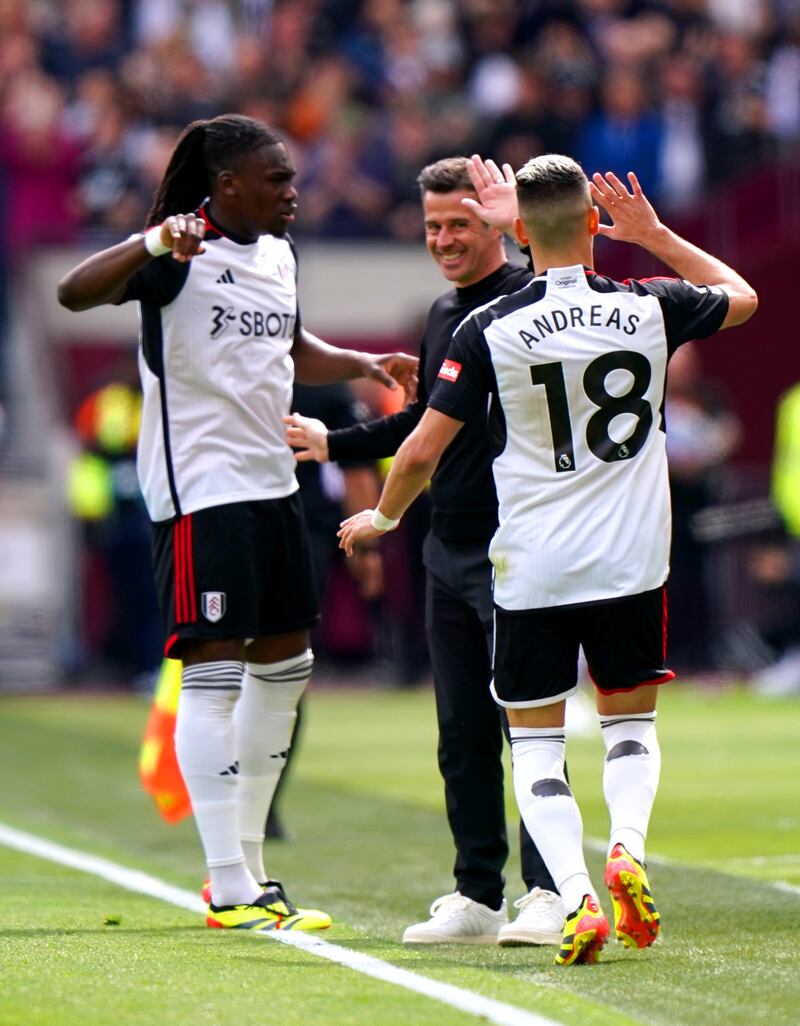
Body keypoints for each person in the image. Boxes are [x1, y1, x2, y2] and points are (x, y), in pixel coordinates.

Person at [337, 154, 757, 964]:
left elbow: (423, 448)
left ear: (515, 230)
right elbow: (743, 297)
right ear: (596, 224)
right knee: (629, 723)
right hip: (635, 557)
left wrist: (385, 516)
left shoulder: (489, 325)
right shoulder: (650, 307)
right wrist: (658, 234)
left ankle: (575, 896)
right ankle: (627, 844)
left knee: (533, 742)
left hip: (535, 563)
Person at [57, 113, 417, 933]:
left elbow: (286, 347)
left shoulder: (281, 255)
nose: (294, 191)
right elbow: (71, 292)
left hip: (274, 483)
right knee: (215, 675)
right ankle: (226, 884)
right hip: (202, 493)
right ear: (227, 186)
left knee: (287, 669)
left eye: (291, 178)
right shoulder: (178, 258)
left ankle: (253, 869)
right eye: (277, 179)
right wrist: (152, 242)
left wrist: (361, 363)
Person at [285, 155, 566, 946]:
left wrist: (524, 226)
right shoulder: (445, 311)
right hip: (450, 543)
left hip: (522, 544)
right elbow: (423, 428)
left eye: (460, 225)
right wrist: (333, 442)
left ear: (496, 226)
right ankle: (478, 894)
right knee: (462, 730)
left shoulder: (532, 296)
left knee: (530, 726)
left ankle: (550, 891)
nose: (442, 238)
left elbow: (579, 277)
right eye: (433, 225)